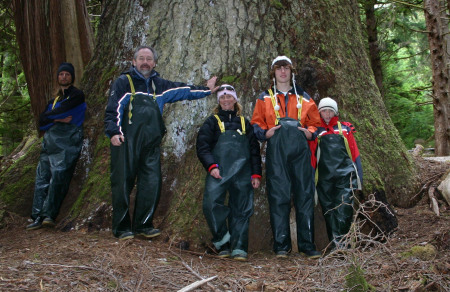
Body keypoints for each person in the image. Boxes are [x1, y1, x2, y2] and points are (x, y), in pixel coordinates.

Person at [104, 46, 218, 240]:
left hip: (151, 144)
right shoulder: (124, 82)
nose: (145, 62)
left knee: (152, 182)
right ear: (134, 62)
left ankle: (143, 225)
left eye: (149, 59)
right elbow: (113, 109)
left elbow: (183, 90)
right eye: (141, 58)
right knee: (122, 183)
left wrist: (206, 89)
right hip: (126, 141)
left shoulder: (160, 85)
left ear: (154, 63)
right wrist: (114, 132)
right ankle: (122, 227)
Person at [250, 56, 322, 259]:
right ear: (273, 72)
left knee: (304, 196)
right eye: (278, 68)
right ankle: (281, 246)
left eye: (286, 68)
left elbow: (316, 123)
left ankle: (307, 244)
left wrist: (310, 133)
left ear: (291, 71)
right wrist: (265, 134)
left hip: (301, 151)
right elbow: (256, 124)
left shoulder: (305, 97)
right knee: (278, 197)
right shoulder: (264, 98)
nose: (282, 72)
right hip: (277, 152)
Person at [196, 84, 262, 261]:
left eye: (229, 96)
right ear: (219, 101)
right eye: (222, 97)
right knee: (210, 204)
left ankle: (239, 247)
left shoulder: (244, 123)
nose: (226, 100)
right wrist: (212, 166)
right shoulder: (212, 122)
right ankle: (222, 242)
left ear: (235, 99)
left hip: (243, 172)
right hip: (218, 171)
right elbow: (202, 147)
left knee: (241, 209)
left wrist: (256, 174)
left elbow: (255, 151)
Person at [26, 62, 87, 230]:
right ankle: (36, 215)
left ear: (72, 77)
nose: (64, 77)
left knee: (59, 176)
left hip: (67, 140)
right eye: (61, 74)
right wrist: (56, 118)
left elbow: (64, 111)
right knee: (41, 177)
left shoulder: (76, 96)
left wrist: (51, 118)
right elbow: (41, 121)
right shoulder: (54, 101)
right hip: (50, 142)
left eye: (67, 74)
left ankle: (48, 214)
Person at [315, 97, 363, 250]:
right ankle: (336, 246)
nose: (327, 114)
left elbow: (354, 153)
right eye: (324, 111)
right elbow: (311, 156)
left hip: (345, 176)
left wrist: (359, 177)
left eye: (330, 111)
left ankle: (342, 247)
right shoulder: (316, 131)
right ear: (319, 112)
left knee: (344, 209)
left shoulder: (345, 128)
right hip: (324, 178)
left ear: (335, 112)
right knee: (329, 211)